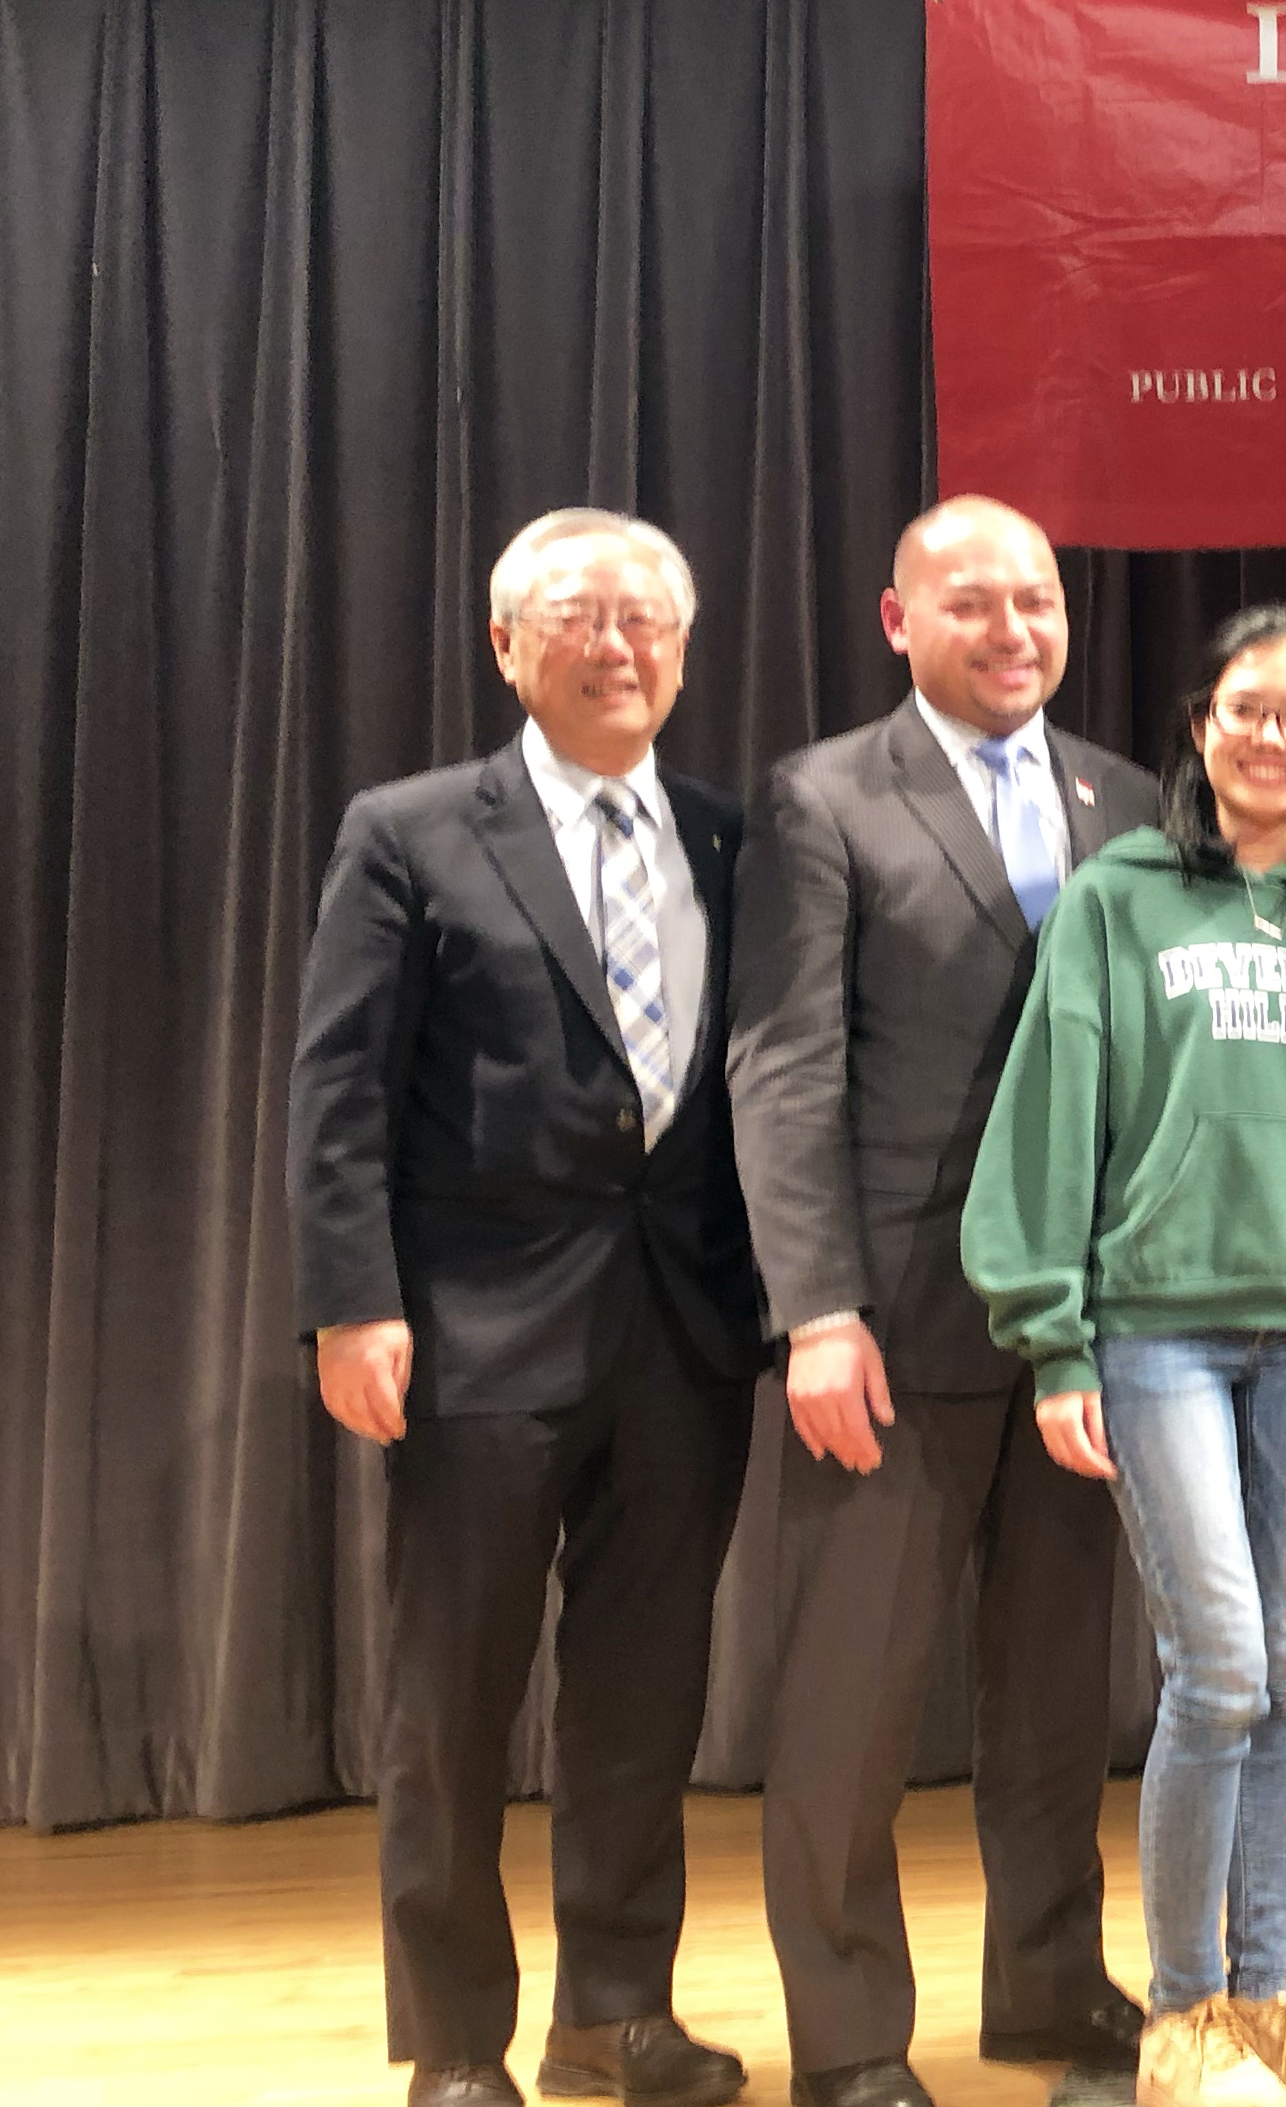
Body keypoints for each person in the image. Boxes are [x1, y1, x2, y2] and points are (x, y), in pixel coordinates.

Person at [288, 507, 764, 2107]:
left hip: (681, 1334)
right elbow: (339, 1085)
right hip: (475, 1331)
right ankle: (456, 2040)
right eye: (579, 614)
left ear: (684, 651)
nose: (616, 641)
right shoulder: (413, 829)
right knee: (456, 1704)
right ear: (508, 643)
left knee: (643, 1698)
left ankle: (613, 2011)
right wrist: (352, 1298)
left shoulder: (723, 836)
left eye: (647, 617)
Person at [727, 496, 1156, 2107]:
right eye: (972, 600)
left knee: (1056, 1691)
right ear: (898, 616)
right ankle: (848, 2036)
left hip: (1077, 1331)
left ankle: (1048, 1986)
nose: (1014, 628)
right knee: (849, 1699)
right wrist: (814, 1310)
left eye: (1038, 598)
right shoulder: (824, 795)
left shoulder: (1127, 795)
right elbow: (780, 1071)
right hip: (891, 1322)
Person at [961, 605, 1286, 2107]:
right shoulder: (1117, 895)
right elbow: (1051, 1101)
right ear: (1200, 726)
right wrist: (1052, 1334)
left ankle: (1270, 2001)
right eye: (1247, 708)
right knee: (1215, 1664)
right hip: (1158, 1322)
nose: (1273, 734)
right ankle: (1182, 2015)